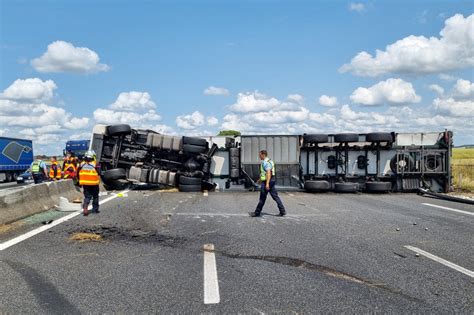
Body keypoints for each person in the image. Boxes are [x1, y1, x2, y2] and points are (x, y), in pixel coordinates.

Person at [249, 150, 286, 217]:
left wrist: (267, 184)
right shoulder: (270, 161)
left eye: (260, 155)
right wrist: (259, 180)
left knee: (262, 198)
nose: (259, 156)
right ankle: (282, 211)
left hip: (267, 181)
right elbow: (265, 173)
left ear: (263, 155)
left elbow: (268, 173)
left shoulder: (265, 162)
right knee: (275, 197)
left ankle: (257, 212)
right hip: (271, 180)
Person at [77, 150, 100, 216]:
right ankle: (95, 210)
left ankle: (85, 207)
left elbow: (77, 173)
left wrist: (79, 181)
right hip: (94, 183)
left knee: (87, 196)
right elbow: (99, 172)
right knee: (95, 196)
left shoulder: (81, 164)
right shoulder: (95, 163)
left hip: (85, 183)